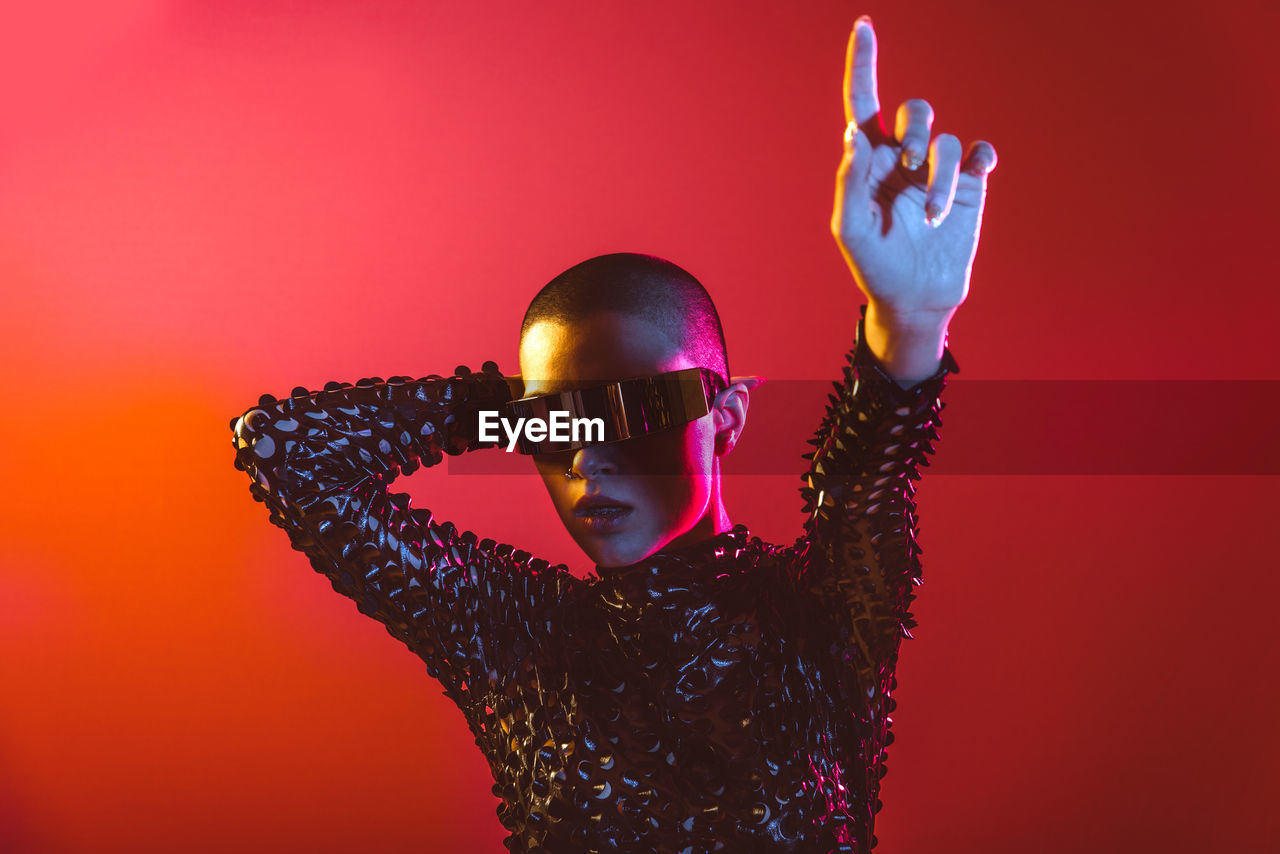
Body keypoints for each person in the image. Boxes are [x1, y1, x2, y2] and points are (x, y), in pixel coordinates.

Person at [229, 15, 996, 854]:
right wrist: (512, 401)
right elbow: (289, 451)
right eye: (556, 427)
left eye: (634, 415)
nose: (589, 457)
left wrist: (909, 322)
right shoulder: (516, 640)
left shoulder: (820, 617)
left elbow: (859, 488)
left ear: (727, 418)